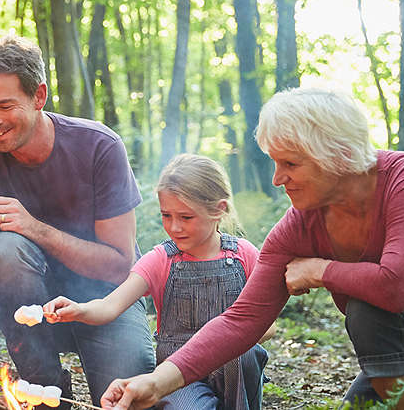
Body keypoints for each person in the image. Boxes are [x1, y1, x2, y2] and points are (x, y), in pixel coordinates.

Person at [101, 88, 404, 410]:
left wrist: (318, 270)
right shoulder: (299, 226)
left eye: (290, 163)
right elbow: (241, 320)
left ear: (335, 154)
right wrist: (156, 383)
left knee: (368, 310)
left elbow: (398, 290)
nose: (277, 178)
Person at [0, 35, 155, 408]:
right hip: (32, 317)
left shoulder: (98, 147)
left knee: (128, 400)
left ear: (39, 96)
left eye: (5, 106)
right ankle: (45, 390)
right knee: (2, 250)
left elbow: (121, 265)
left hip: (107, 301)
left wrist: (35, 227)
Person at [43, 154, 275, 410]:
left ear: (219, 210)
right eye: (166, 215)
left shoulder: (244, 254)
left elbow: (268, 326)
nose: (174, 227)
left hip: (236, 370)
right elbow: (111, 306)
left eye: (186, 217)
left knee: (242, 354)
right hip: (177, 377)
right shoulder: (161, 259)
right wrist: (79, 309)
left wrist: (228, 341)